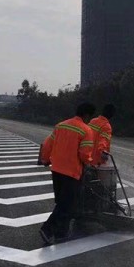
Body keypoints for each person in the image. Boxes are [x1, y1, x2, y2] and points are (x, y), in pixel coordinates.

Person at [39, 102, 96, 244]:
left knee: (62, 202)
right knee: (66, 205)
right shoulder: (86, 130)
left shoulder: (61, 125)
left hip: (57, 170)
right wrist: (90, 162)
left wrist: (46, 159)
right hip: (71, 173)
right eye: (90, 117)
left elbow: (47, 145)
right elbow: (84, 154)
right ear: (87, 115)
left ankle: (61, 233)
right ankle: (47, 229)